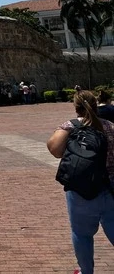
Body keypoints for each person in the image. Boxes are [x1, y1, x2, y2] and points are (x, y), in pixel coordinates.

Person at [47, 90, 114, 274]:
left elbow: (54, 149)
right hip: (109, 187)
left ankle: (86, 271)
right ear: (96, 105)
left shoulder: (70, 126)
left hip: (80, 191)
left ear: (76, 108)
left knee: (82, 234)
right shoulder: (109, 126)